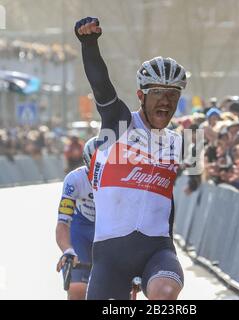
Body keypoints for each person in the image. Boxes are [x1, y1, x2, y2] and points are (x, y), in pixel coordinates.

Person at [75, 16, 188, 300]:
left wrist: (170, 243)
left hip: (157, 251)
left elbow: (165, 200)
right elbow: (102, 87)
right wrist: (89, 44)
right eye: (158, 93)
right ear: (140, 95)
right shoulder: (120, 123)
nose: (166, 101)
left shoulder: (175, 142)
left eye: (173, 95)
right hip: (111, 257)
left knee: (164, 292)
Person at [56, 136, 98, 300]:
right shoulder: (75, 179)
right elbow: (62, 223)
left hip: (110, 231)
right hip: (81, 230)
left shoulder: (123, 180)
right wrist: (67, 249)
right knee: (77, 289)